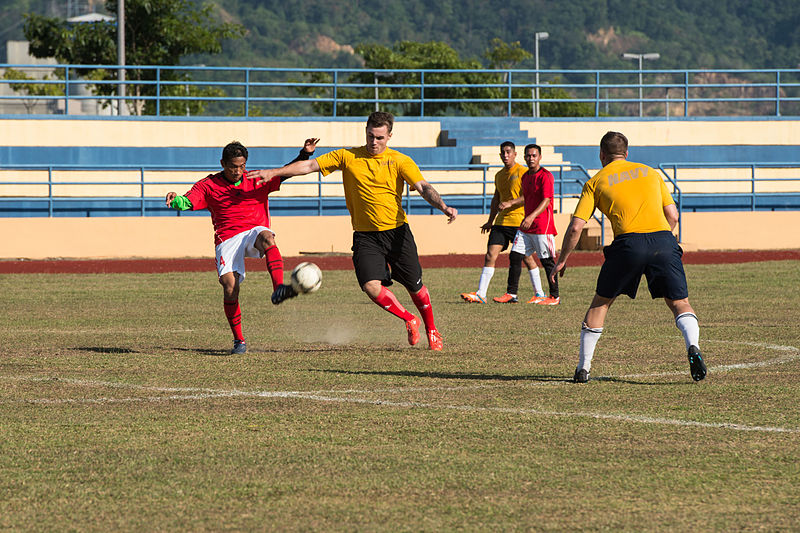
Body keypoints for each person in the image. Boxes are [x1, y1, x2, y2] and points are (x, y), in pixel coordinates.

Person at [245, 111, 457, 351]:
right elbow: (310, 165)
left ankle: (431, 329)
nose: (374, 142)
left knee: (416, 288)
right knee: (370, 286)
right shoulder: (347, 156)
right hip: (365, 236)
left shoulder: (400, 161)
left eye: (379, 137)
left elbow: (423, 187)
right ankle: (409, 319)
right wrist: (273, 172)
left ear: (389, 136)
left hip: (397, 233)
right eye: (370, 136)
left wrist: (443, 206)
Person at [551, 131, 706, 383]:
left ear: (601, 155)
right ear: (627, 153)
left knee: (601, 303)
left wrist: (562, 259)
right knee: (679, 302)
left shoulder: (595, 181)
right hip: (663, 240)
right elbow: (674, 216)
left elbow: (577, 226)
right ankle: (693, 346)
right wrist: (662, 242)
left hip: (628, 244)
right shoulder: (650, 173)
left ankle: (583, 369)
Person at [165, 138, 319, 355]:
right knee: (230, 287)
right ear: (222, 164)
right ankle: (239, 340)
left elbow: (286, 172)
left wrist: (305, 154)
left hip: (253, 230)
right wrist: (176, 199)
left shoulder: (257, 178)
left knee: (267, 237)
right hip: (227, 238)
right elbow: (189, 200)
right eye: (233, 167)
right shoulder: (208, 185)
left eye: (242, 166)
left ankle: (279, 289)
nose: (238, 171)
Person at [460, 141, 545, 304]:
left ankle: (539, 293)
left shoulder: (523, 172)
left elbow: (530, 196)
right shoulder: (499, 175)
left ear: (514, 154)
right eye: (503, 153)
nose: (505, 155)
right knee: (490, 255)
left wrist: (511, 203)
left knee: (527, 258)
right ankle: (481, 294)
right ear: (500, 155)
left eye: (508, 152)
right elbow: (496, 199)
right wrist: (490, 220)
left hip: (519, 222)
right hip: (501, 222)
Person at [498, 143, 560, 305]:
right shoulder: (525, 177)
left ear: (540, 157)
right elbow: (527, 198)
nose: (531, 158)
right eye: (528, 156)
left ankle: (554, 296)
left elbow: (546, 200)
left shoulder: (546, 176)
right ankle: (512, 293)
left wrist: (531, 217)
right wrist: (514, 206)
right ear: (524, 157)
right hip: (527, 226)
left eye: (534, 155)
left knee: (547, 262)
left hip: (542, 226)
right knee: (515, 255)